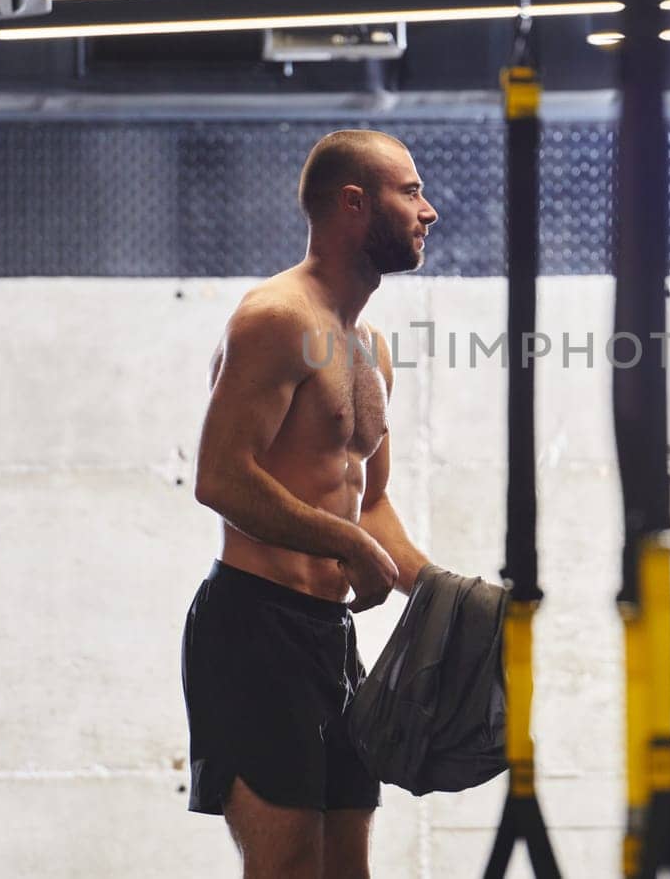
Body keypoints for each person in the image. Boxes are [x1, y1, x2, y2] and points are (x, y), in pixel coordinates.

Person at [184, 129, 439, 879]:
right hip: (254, 629)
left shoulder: (371, 347)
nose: (429, 211)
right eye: (411, 190)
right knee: (290, 869)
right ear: (353, 204)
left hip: (330, 638)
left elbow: (373, 502)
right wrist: (353, 547)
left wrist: (444, 593)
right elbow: (221, 478)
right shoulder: (276, 318)